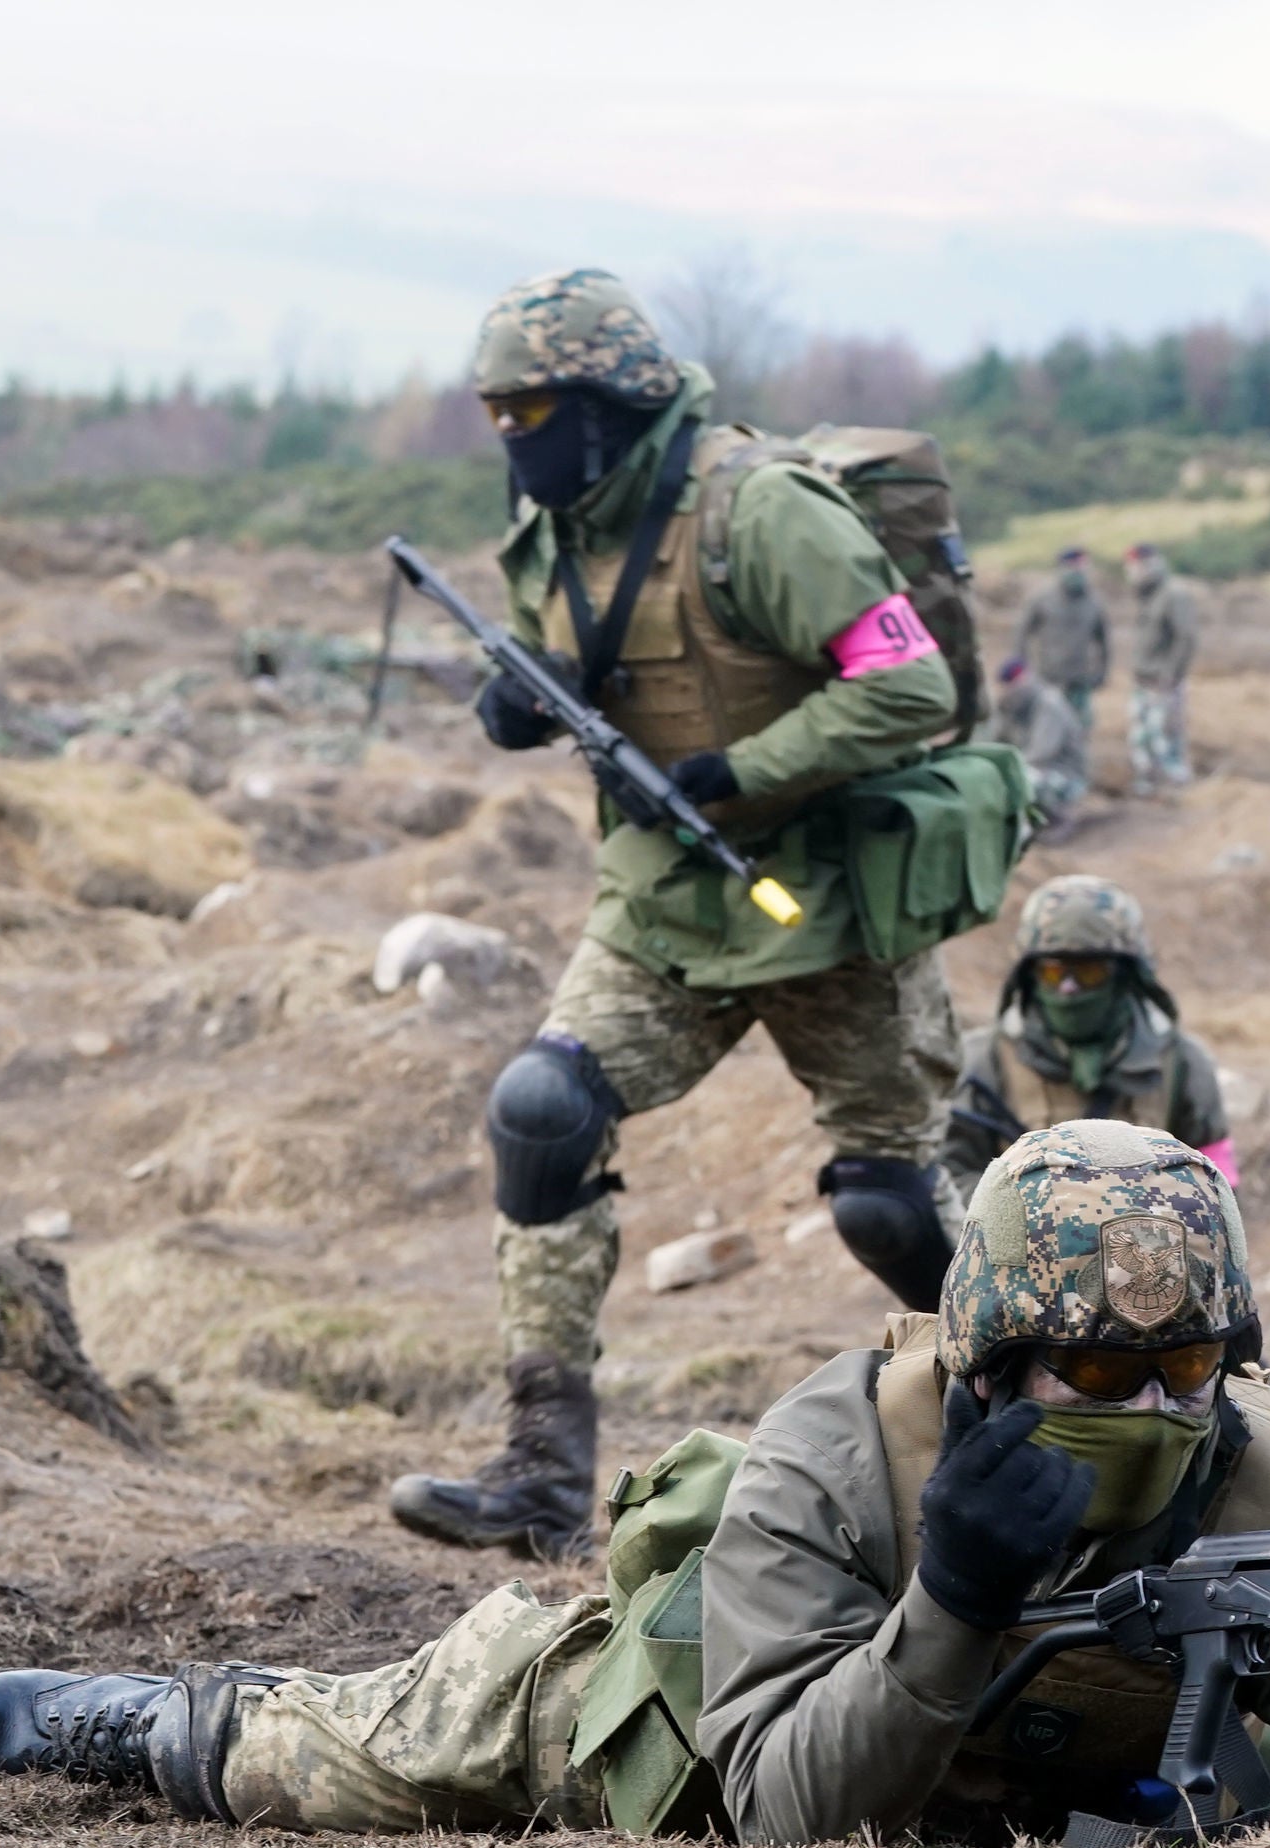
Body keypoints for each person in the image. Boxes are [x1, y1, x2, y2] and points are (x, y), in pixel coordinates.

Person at [0, 1125, 1270, 1848]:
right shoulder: (838, 1447)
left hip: (1043, 1798)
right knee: (371, 1754)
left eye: (1187, 1368)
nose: (1149, 1406)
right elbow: (788, 1808)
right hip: (682, 1721)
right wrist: (951, 1602)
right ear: (994, 1359)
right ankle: (149, 1720)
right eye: (1091, 1375)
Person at [391, 266, 977, 1562]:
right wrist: (523, 701)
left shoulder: (758, 510)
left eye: (532, 410)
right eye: (496, 413)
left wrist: (749, 772)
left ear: (608, 398)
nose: (513, 437)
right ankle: (543, 1479)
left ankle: (1045, 1419)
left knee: (890, 1203)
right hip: (663, 905)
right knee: (542, 1116)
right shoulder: (553, 523)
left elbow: (909, 683)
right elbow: (585, 668)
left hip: (827, 901)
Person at [945, 876, 1232, 1200]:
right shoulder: (981, 1061)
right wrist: (1028, 1207)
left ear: (1126, 976)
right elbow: (950, 1178)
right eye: (1053, 973)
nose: (1068, 990)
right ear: (1030, 977)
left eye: (1088, 973)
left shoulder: (1183, 1064)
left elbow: (1219, 1191)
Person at [1125, 542, 1199, 793]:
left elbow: (1186, 637)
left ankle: (1176, 786)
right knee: (1142, 737)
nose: (1135, 571)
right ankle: (1148, 783)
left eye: (1139, 566)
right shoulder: (1145, 596)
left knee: (1165, 737)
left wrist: (1171, 672)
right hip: (1143, 679)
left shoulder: (1173, 595)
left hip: (1163, 681)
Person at [1014, 547, 1111, 729]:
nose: (1078, 571)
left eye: (1082, 567)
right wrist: (1023, 671)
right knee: (1047, 729)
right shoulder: (1041, 598)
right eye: (1073, 566)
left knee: (1079, 730)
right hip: (1048, 679)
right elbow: (1021, 635)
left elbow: (1104, 641)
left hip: (1080, 681)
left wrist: (1102, 672)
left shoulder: (1095, 601)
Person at [993, 656, 1087, 830]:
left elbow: (1042, 753)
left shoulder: (1048, 704)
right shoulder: (1015, 706)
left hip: (1065, 774)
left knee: (1023, 781)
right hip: (1036, 767)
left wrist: (1007, 772)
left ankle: (1058, 820)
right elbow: (996, 740)